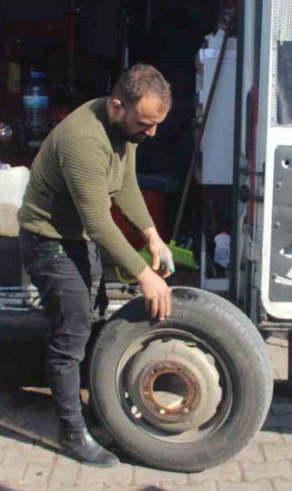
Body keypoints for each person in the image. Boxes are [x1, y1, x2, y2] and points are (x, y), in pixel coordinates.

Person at [17, 64, 174, 467]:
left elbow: (125, 184)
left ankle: (92, 413)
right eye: (146, 123)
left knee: (91, 318)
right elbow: (98, 222)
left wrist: (151, 235)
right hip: (49, 241)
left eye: (157, 125)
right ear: (118, 105)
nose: (152, 133)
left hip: (77, 239)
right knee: (70, 336)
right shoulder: (84, 140)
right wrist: (145, 277)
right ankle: (71, 432)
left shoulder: (126, 128)